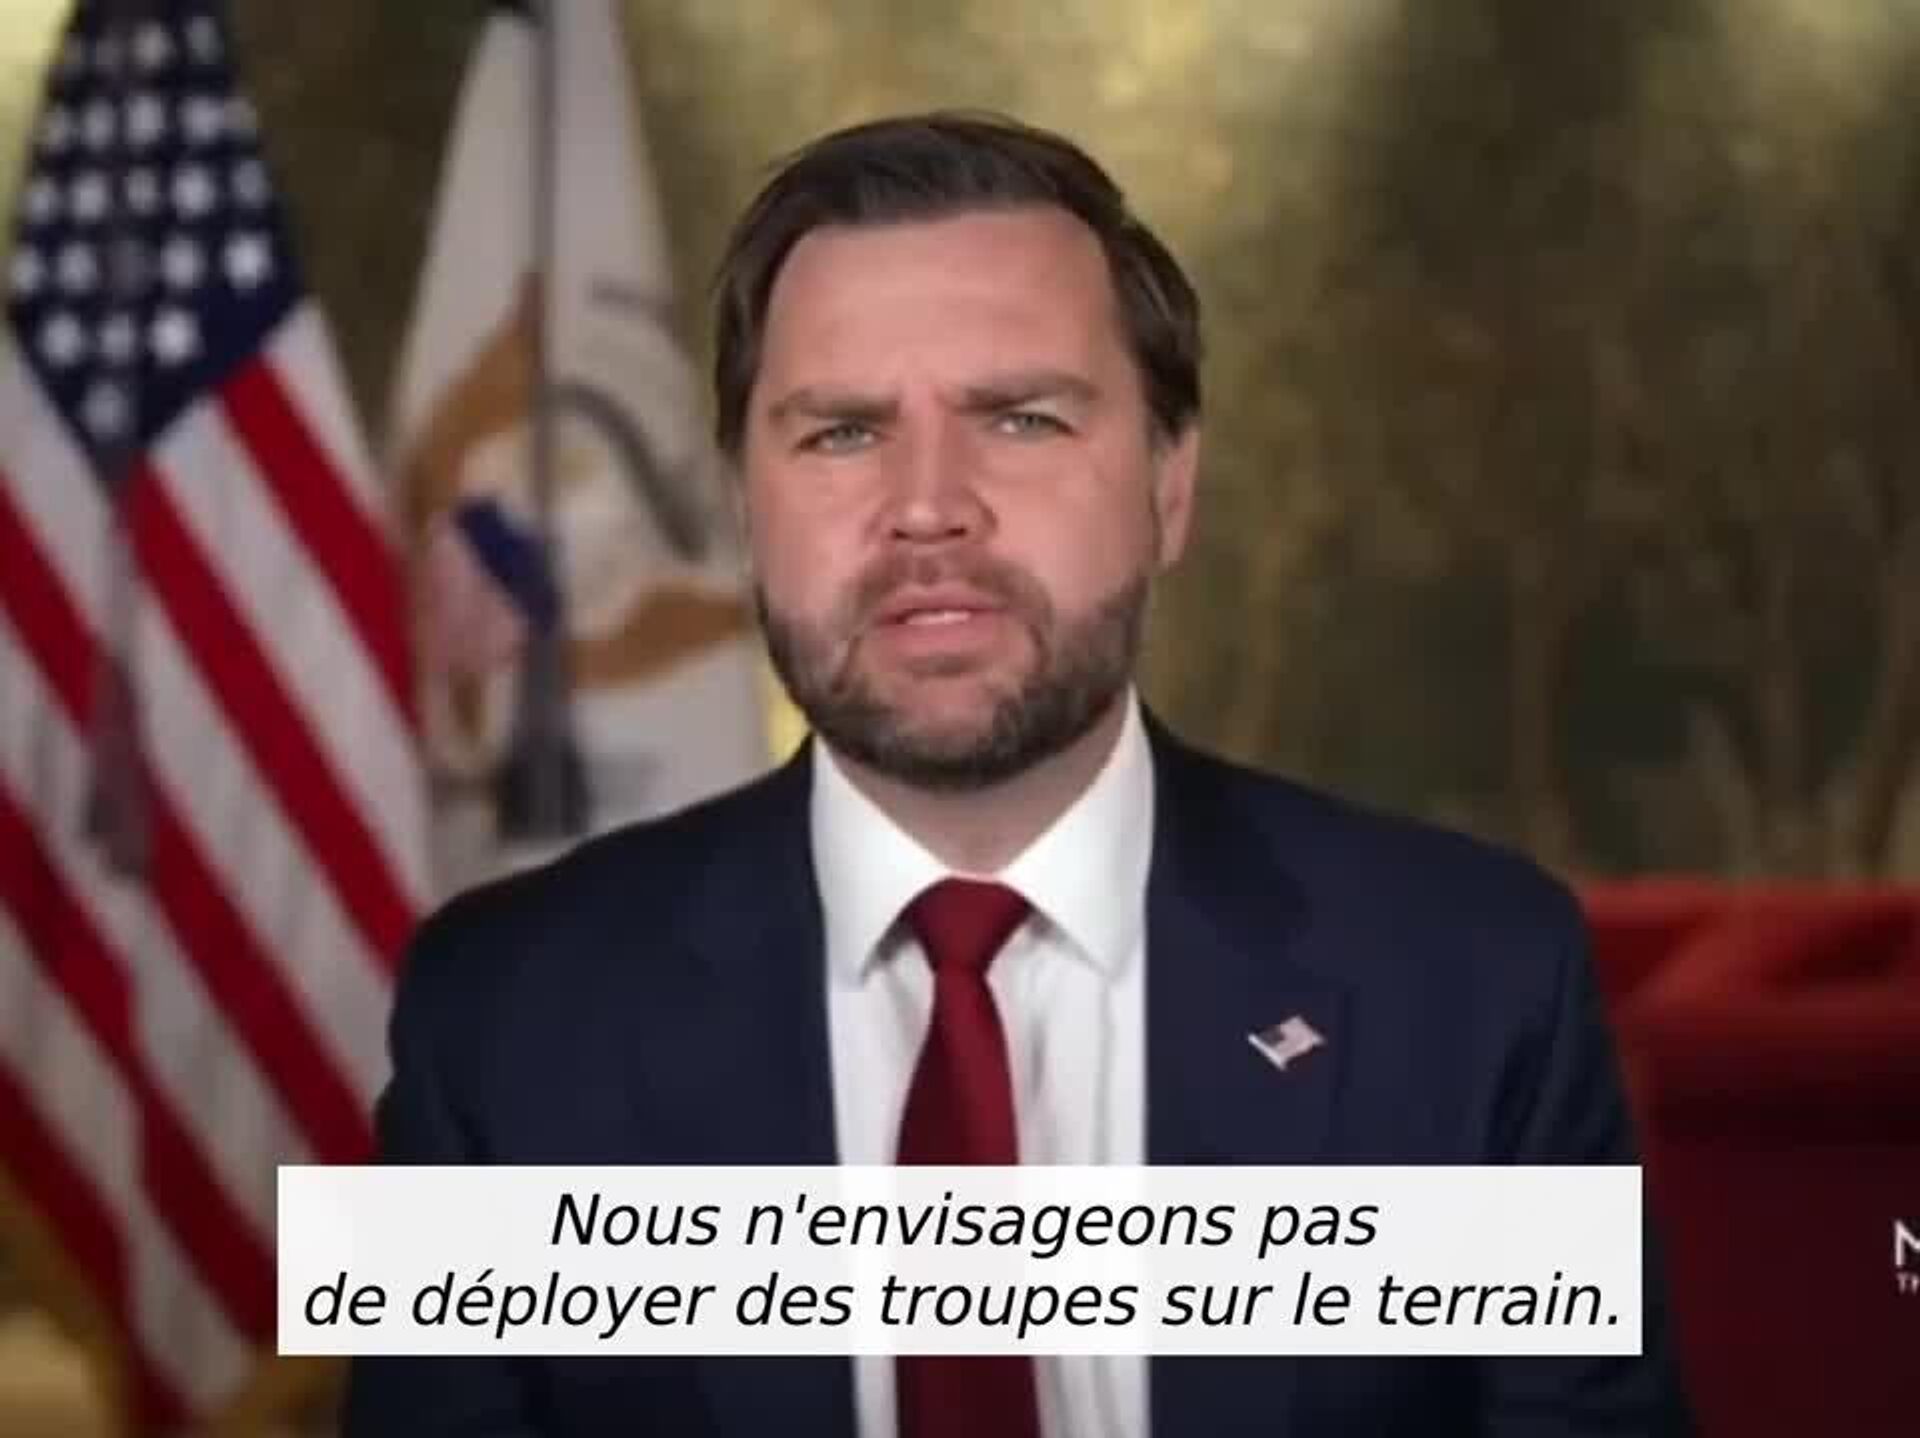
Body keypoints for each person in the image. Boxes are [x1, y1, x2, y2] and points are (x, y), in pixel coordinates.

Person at [343, 111, 1693, 1437]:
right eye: (843, 432)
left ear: (1170, 488)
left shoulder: (1476, 983)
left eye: (1022, 419)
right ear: (745, 504)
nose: (929, 505)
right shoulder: (502, 1020)